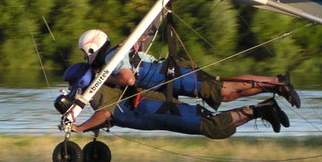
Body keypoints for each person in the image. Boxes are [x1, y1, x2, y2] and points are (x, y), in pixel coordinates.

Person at [76, 28, 301, 110]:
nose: (86, 57)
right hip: (172, 76)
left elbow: (128, 80)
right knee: (225, 96)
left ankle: (278, 82)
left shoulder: (114, 57)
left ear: (92, 47)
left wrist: (106, 80)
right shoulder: (116, 53)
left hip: (175, 75)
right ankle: (275, 87)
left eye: (86, 52)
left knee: (223, 90)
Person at [63, 63, 290, 139]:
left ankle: (266, 102)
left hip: (159, 110)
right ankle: (263, 108)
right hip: (159, 109)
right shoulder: (102, 89)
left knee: (214, 122)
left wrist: (80, 127)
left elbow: (105, 113)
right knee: (222, 102)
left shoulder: (98, 91)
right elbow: (108, 114)